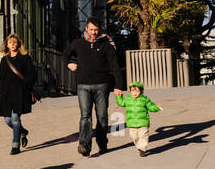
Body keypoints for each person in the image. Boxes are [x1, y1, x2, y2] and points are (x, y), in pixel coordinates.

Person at [65, 17, 124, 157]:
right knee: (85, 116)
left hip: (101, 85)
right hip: (83, 86)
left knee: (102, 116)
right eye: (91, 29)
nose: (94, 32)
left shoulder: (106, 44)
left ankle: (102, 143)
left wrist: (119, 86)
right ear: (86, 29)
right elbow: (65, 55)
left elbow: (115, 66)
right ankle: (84, 145)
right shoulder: (78, 43)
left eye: (96, 30)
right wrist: (69, 64)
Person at [0, 33, 38, 155]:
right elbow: (0, 77)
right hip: (7, 94)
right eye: (10, 43)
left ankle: (15, 145)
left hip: (20, 93)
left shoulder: (25, 58)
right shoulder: (5, 60)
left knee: (15, 119)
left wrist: (24, 85)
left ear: (18, 44)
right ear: (6, 45)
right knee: (7, 120)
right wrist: (2, 88)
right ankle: (23, 132)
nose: (13, 45)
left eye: (15, 42)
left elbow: (32, 74)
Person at [115, 82, 162, 156]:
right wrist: (119, 97)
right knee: (134, 137)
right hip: (132, 124)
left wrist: (156, 107)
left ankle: (142, 150)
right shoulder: (127, 99)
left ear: (141, 91)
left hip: (143, 123)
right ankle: (139, 146)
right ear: (130, 91)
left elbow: (150, 106)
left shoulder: (144, 99)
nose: (135, 93)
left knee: (143, 137)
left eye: (137, 91)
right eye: (133, 91)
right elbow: (121, 103)